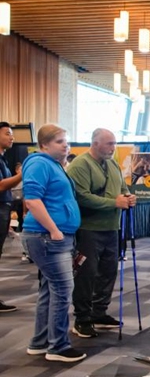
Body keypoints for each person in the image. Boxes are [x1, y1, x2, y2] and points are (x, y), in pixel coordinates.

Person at [21, 124, 85, 362]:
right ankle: (58, 346)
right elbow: (32, 200)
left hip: (52, 236)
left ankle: (39, 342)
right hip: (47, 237)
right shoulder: (39, 163)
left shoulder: (54, 165)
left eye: (66, 141)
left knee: (50, 290)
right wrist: (54, 229)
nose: (65, 145)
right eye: (59, 141)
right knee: (62, 290)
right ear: (44, 145)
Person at [67, 128, 136, 338]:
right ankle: (82, 318)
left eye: (114, 144)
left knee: (108, 271)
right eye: (109, 144)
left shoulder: (113, 163)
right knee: (86, 274)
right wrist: (114, 202)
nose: (113, 148)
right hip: (88, 229)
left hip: (112, 228)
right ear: (95, 143)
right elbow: (81, 197)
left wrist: (128, 197)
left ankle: (99, 312)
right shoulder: (80, 165)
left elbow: (122, 188)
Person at [0, 122, 23, 312]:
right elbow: (1, 186)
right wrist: (21, 175)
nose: (12, 137)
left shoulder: (3, 159)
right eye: (8, 133)